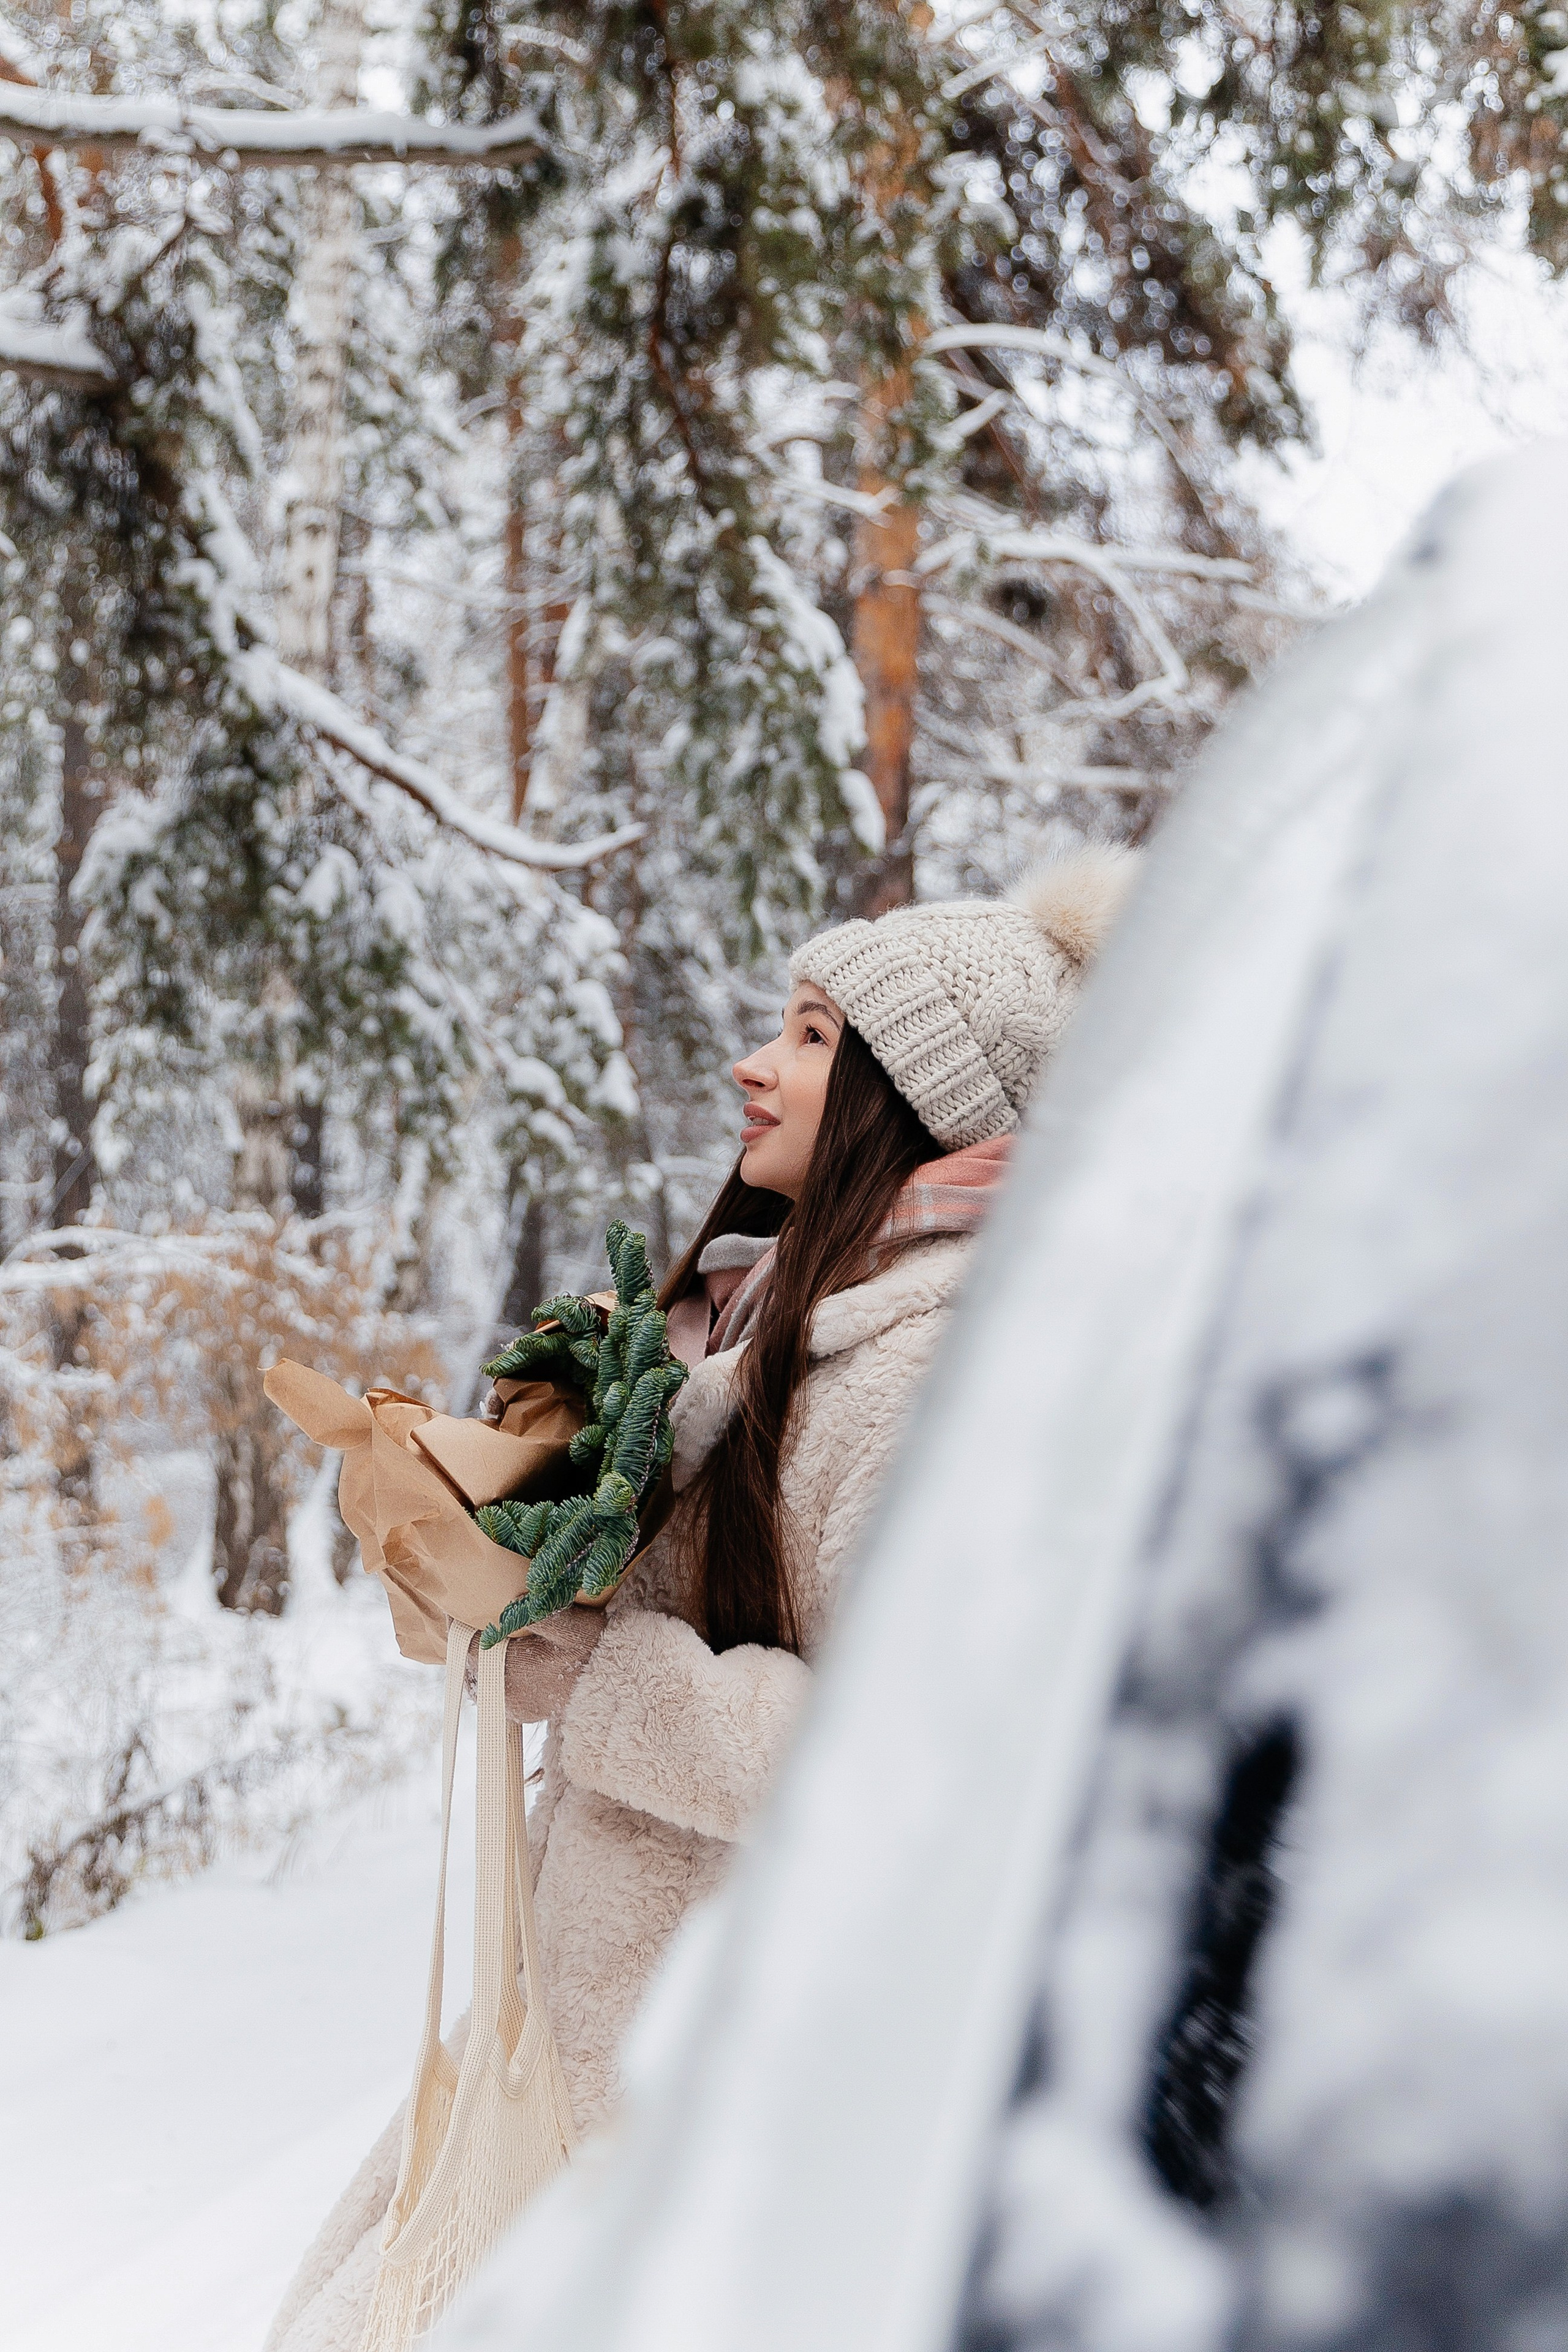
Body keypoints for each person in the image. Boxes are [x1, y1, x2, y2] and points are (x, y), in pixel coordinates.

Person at [264, 850, 1135, 2352]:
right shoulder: (767, 1315)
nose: (754, 1064)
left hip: (717, 2074)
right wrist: (496, 1530)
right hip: (604, 2017)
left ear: (912, 1092)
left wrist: (594, 1678)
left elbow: (925, 1767)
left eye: (808, 1036)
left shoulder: (927, 1370)